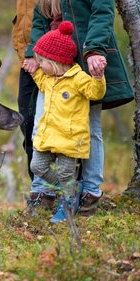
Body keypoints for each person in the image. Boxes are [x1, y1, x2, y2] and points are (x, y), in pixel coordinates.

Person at [23, 0, 134, 216]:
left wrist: (96, 50)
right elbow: (40, 19)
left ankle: (90, 192)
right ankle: (47, 192)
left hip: (85, 61)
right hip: (55, 64)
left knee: (91, 127)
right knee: (42, 122)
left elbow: (102, 11)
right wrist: (33, 53)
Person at [7, 0, 56, 211]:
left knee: (54, 125)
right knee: (28, 121)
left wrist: (45, 50)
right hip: (27, 53)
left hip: (52, 53)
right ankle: (39, 194)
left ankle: (64, 192)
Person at [29, 21, 106, 223]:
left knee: (65, 172)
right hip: (48, 137)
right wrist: (33, 69)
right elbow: (39, 80)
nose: (40, 65)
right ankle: (72, 190)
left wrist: (98, 78)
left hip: (69, 140)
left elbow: (94, 92)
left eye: (41, 61)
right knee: (37, 166)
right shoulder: (48, 78)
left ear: (55, 61)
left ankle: (67, 202)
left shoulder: (77, 78)